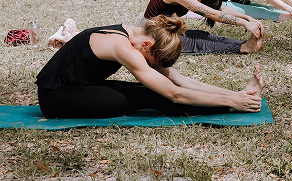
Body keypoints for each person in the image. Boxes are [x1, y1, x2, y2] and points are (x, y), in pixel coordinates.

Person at [36, 15, 264, 119]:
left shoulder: (134, 36)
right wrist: (233, 102)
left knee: (145, 92)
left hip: (79, 88)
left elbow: (180, 81)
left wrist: (235, 93)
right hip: (57, 98)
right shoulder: (121, 46)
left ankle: (238, 100)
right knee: (151, 96)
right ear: (148, 45)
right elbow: (174, 94)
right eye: (151, 63)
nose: (149, 66)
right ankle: (233, 107)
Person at [141, 0, 264, 55]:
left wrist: (248, 18)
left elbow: (220, 9)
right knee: (197, 42)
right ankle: (244, 48)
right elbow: (212, 14)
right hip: (152, 33)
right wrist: (243, 23)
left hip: (166, 29)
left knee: (204, 35)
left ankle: (244, 44)